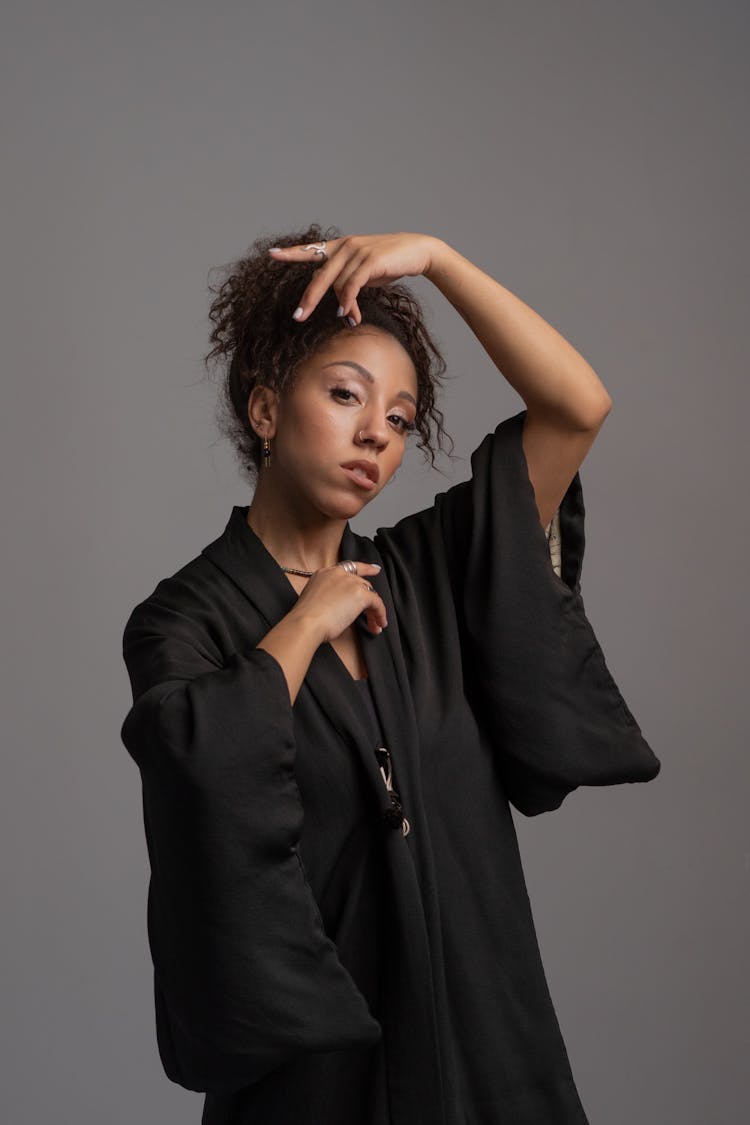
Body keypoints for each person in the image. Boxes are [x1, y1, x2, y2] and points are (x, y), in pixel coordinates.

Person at [119, 225, 661, 1125]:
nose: (376, 433)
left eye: (402, 419)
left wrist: (440, 260)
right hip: (318, 1078)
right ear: (264, 410)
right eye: (345, 395)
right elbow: (199, 771)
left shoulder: (432, 572)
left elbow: (576, 407)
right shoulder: (183, 620)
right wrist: (303, 624)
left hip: (483, 1049)